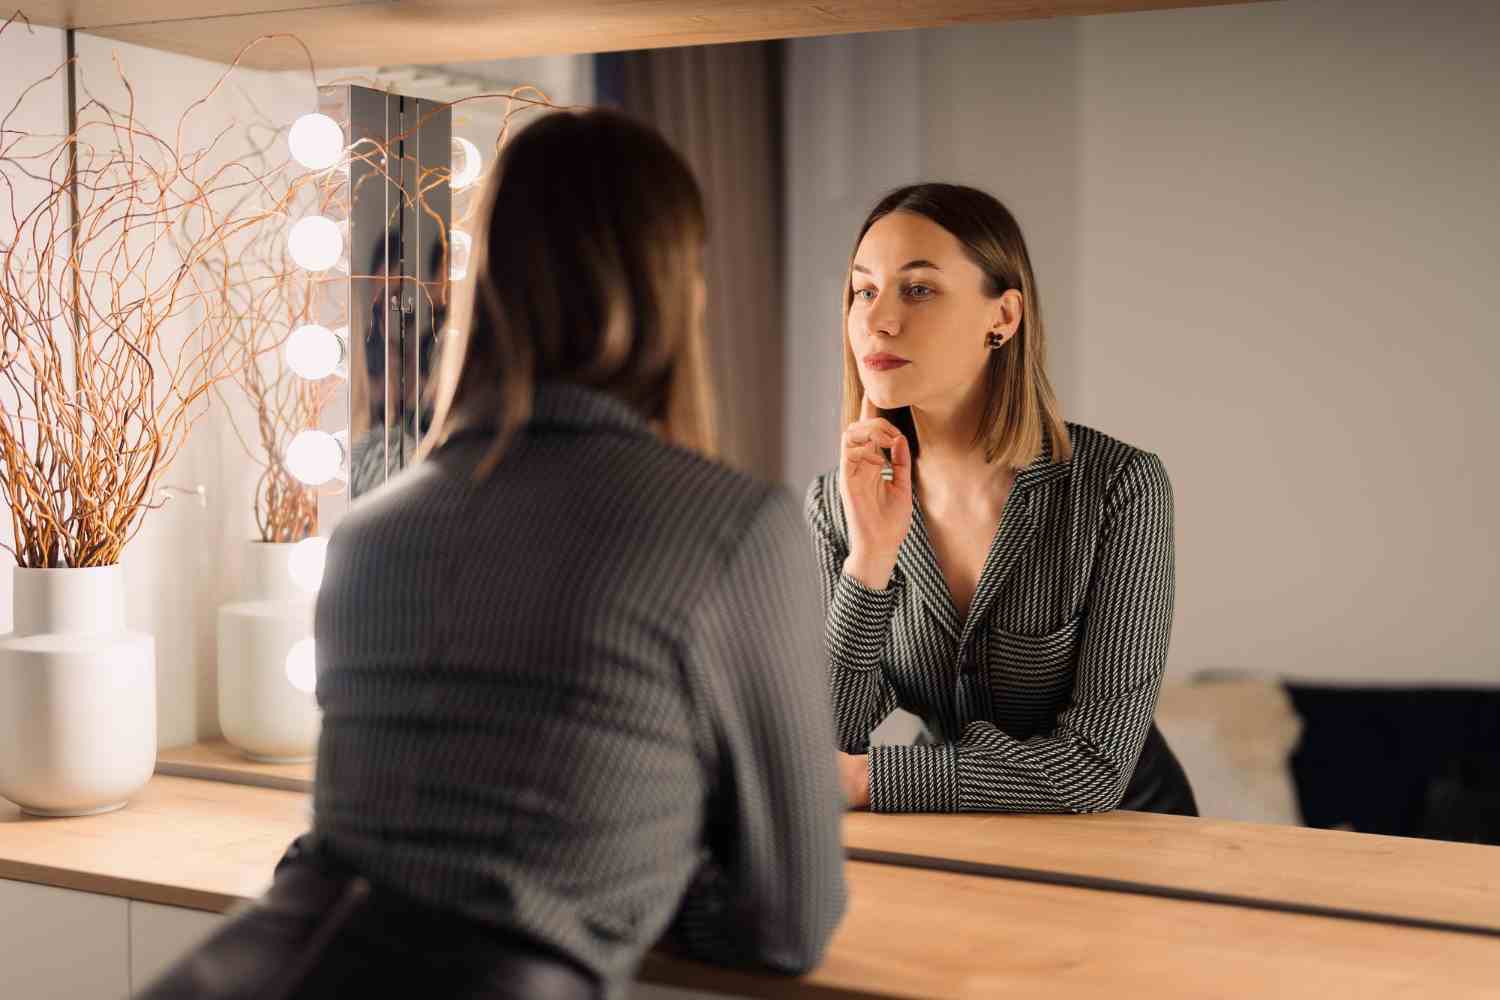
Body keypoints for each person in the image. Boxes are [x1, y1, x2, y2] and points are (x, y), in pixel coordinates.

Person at [143, 110, 846, 1000]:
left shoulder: (371, 531)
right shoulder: (730, 527)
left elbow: (354, 848)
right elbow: (787, 922)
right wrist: (623, 878)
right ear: (675, 287)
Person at [807, 183, 1198, 817]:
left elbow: (1094, 768)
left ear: (1004, 317)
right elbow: (820, 743)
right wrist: (869, 561)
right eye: (864, 290)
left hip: (1129, 837)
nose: (879, 319)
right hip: (959, 841)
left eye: (920, 288)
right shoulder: (837, 502)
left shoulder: (1119, 488)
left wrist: (870, 780)